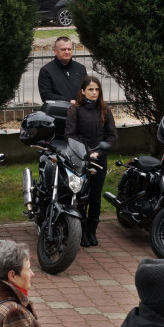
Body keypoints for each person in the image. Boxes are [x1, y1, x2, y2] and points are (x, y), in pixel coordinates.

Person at [65, 75, 118, 246]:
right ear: (83, 91)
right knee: (81, 196)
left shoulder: (104, 110)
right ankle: (79, 230)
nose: (94, 93)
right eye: (90, 89)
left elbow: (112, 136)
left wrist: (100, 151)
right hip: (81, 158)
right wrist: (86, 152)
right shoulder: (75, 110)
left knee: (95, 197)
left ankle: (92, 230)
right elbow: (70, 135)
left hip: (99, 159)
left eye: (96, 90)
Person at [38, 36, 87, 103]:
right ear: (55, 51)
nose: (67, 52)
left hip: (79, 110)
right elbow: (46, 96)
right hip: (57, 112)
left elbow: (87, 90)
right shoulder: (46, 71)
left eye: (69, 49)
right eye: (63, 49)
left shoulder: (81, 69)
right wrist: (68, 101)